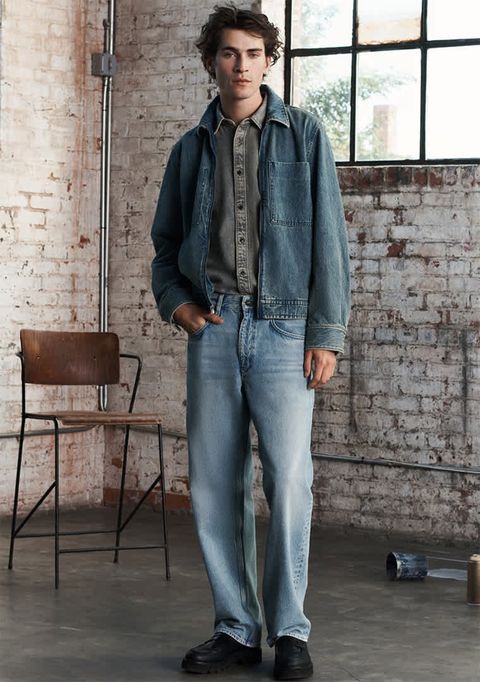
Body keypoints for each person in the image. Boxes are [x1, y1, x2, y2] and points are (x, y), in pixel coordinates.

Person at [151, 5, 350, 680]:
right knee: (214, 484)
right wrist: (178, 305)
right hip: (213, 327)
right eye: (230, 53)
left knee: (289, 481)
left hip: (284, 328)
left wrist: (326, 333)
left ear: (270, 62)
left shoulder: (305, 135)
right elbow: (165, 245)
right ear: (212, 61)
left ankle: (289, 630)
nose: (241, 65)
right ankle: (236, 628)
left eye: (254, 53)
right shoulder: (189, 149)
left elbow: (329, 239)